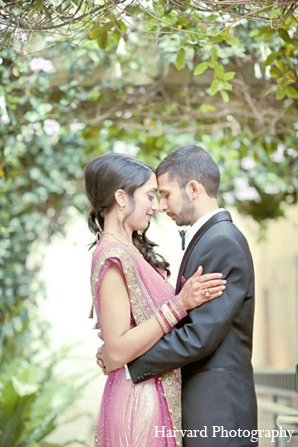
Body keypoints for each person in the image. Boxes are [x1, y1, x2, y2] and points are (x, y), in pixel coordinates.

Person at [98, 146, 258, 447]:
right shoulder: (210, 239)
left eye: (166, 194)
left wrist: (126, 359)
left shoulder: (222, 242)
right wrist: (122, 346)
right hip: (203, 408)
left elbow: (199, 335)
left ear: (193, 189)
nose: (160, 205)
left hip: (218, 413)